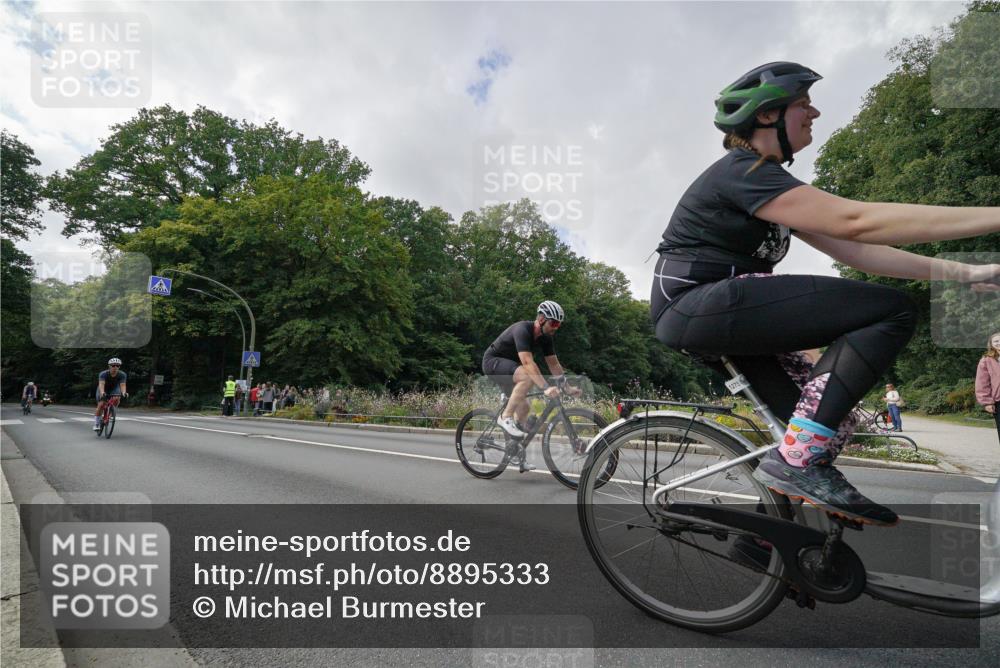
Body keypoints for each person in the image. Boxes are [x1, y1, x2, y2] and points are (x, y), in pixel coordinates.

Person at [651, 62, 1000, 526]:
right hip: (695, 303)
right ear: (766, 116)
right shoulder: (743, 171)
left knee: (819, 423)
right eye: (801, 104)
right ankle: (797, 463)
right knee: (890, 311)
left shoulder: (772, 186)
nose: (813, 112)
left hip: (724, 313)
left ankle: (764, 544)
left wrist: (964, 272)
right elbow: (856, 220)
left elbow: (859, 249)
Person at [482, 301, 582, 445]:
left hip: (512, 369)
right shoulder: (522, 329)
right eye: (553, 323)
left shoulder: (546, 338)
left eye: (558, 325)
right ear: (542, 320)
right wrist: (546, 387)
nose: (556, 328)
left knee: (524, 408)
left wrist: (566, 387)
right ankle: (506, 417)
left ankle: (514, 451)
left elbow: (553, 364)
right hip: (493, 362)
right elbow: (528, 363)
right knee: (527, 376)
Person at [975, 332, 1000, 444]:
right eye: (996, 341)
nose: (999, 343)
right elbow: (982, 382)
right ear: (991, 344)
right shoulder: (986, 360)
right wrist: (987, 402)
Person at [94, 358, 128, 430]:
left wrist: (124, 392)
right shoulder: (103, 374)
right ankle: (96, 424)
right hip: (103, 388)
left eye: (117, 366)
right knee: (101, 405)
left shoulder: (122, 374)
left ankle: (112, 412)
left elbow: (122, 385)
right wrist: (102, 393)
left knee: (117, 397)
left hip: (114, 388)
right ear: (109, 366)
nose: (115, 367)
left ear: (119, 367)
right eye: (113, 365)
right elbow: (101, 384)